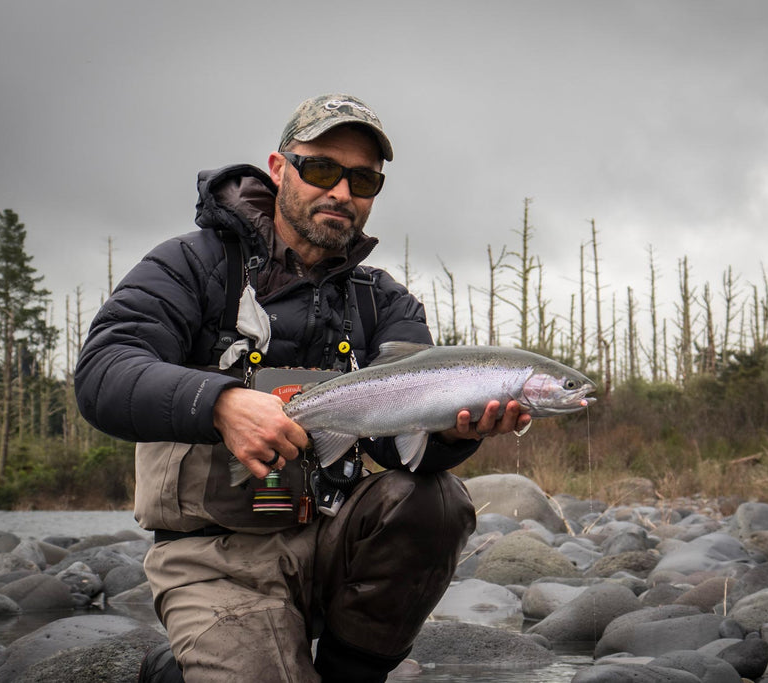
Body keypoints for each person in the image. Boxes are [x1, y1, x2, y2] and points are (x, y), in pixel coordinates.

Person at [74, 93, 530, 683]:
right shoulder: (190, 265)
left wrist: (448, 429)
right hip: (216, 559)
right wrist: (220, 403)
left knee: (436, 500)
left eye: (363, 180)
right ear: (279, 167)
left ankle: (350, 671)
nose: (341, 192)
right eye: (320, 169)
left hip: (332, 539)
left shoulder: (384, 302)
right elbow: (103, 372)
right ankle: (175, 671)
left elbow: (401, 455)